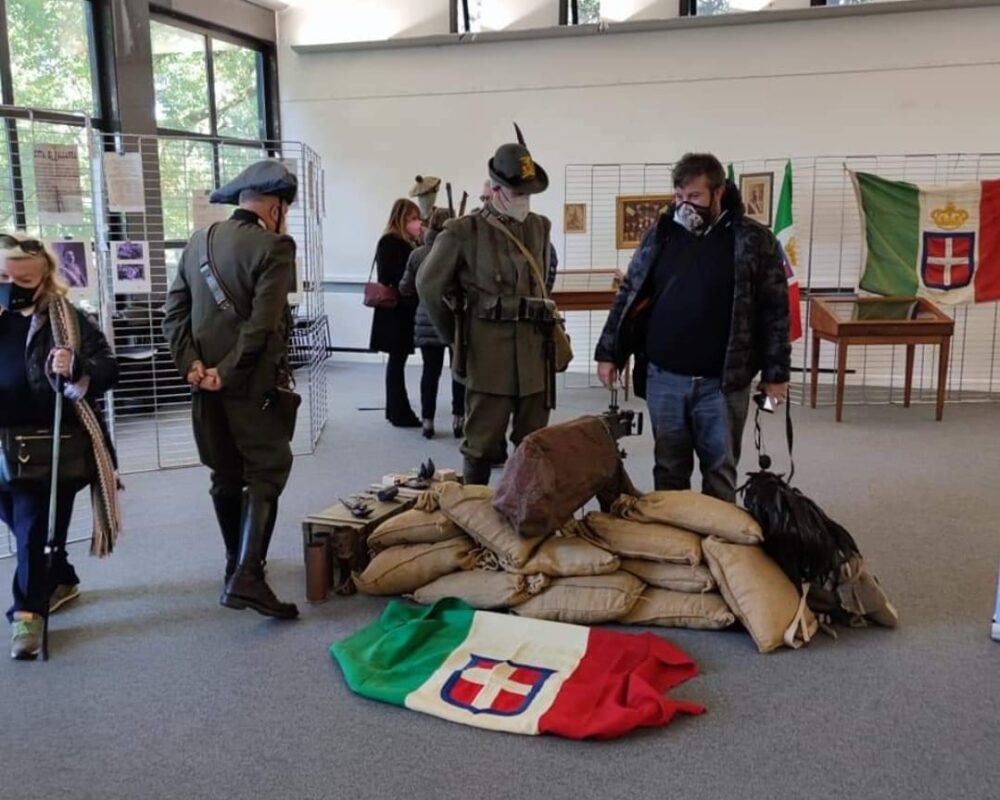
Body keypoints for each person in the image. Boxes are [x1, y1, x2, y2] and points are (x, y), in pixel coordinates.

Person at [594, 152, 790, 503]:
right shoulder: (660, 234)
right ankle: (673, 538)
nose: (685, 205)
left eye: (695, 196)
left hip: (723, 384)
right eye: (679, 196)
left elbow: (775, 311)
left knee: (719, 471)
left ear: (718, 192)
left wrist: (776, 375)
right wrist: (610, 352)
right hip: (664, 379)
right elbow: (629, 294)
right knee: (669, 470)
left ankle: (717, 537)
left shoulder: (754, 240)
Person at [163, 160, 300, 620]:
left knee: (224, 473)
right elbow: (261, 326)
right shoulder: (276, 246)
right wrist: (228, 371)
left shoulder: (198, 241)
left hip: (203, 384)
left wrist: (193, 366)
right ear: (276, 208)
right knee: (267, 470)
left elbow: (173, 314)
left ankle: (233, 564)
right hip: (251, 384)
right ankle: (249, 576)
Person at [0, 233, 120, 659]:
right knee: (22, 524)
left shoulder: (66, 319)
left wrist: (78, 365)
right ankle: (60, 574)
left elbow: (109, 367)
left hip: (48, 446)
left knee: (32, 531)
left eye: (23, 280)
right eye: (3, 277)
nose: (11, 287)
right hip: (1, 444)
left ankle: (27, 615)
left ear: (45, 278)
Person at [418, 125, 556, 485]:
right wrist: (456, 336)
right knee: (480, 447)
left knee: (533, 446)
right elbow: (428, 285)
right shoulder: (463, 231)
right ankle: (472, 512)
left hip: (534, 358)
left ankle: (523, 511)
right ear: (495, 189)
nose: (524, 199)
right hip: (489, 358)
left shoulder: (540, 228)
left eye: (528, 192)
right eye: (517, 191)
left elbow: (543, 281)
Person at [399, 208, 465, 439]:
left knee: (430, 372)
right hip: (455, 318)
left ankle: (428, 421)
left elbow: (406, 287)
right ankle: (459, 419)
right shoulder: (460, 254)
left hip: (426, 317)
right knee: (459, 371)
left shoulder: (417, 254)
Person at [369, 198, 424, 428]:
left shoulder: (405, 242)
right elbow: (391, 275)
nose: (417, 223)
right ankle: (400, 412)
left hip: (400, 311)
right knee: (396, 362)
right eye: (413, 218)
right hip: (394, 311)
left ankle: (395, 410)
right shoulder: (391, 242)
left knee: (397, 362)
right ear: (401, 219)